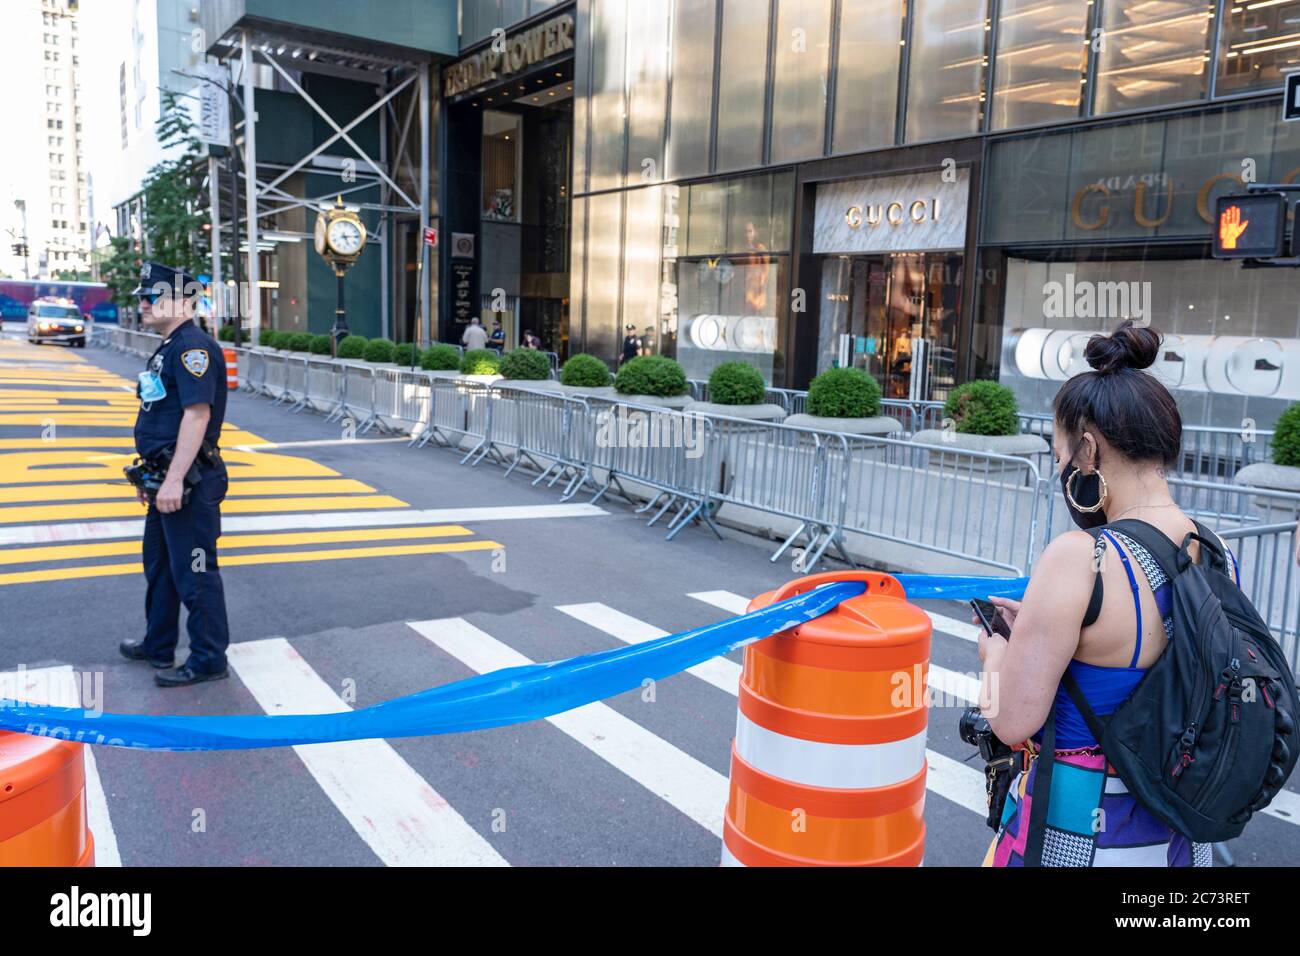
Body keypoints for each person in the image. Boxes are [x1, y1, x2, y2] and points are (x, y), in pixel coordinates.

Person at [976, 321, 1236, 867]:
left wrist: (996, 653)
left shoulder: (1081, 557)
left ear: (1088, 451)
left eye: (1060, 452)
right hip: (1180, 843)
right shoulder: (1215, 552)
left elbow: (1010, 722)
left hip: (1080, 839)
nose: (1058, 466)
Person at [119, 262, 231, 687]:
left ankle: (207, 658)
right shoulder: (169, 346)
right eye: (144, 296)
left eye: (154, 296)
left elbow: (196, 416)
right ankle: (159, 643)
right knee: (161, 567)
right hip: (166, 477)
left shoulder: (192, 349)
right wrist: (153, 476)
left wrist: (173, 480)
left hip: (187, 481)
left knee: (196, 570)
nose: (144, 303)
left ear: (186, 301)